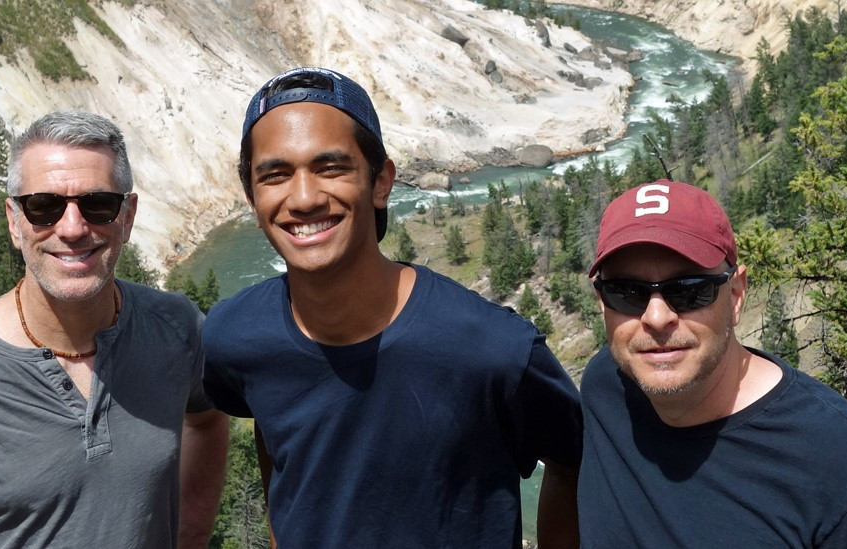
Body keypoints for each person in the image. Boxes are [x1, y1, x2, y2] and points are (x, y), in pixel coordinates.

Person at [201, 66, 583, 549]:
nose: (303, 198)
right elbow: (272, 432)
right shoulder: (233, 335)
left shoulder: (494, 350)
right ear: (253, 200)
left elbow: (574, 462)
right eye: (275, 175)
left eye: (331, 167)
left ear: (381, 182)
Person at [0, 111, 229, 548]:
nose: (72, 228)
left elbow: (208, 419)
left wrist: (191, 537)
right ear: (14, 221)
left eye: (98, 204)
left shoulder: (177, 330)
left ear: (128, 215)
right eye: (43, 207)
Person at [578, 179, 847, 548]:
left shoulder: (835, 458)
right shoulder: (605, 386)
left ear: (736, 295)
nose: (657, 317)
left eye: (690, 290)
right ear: (602, 302)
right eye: (627, 293)